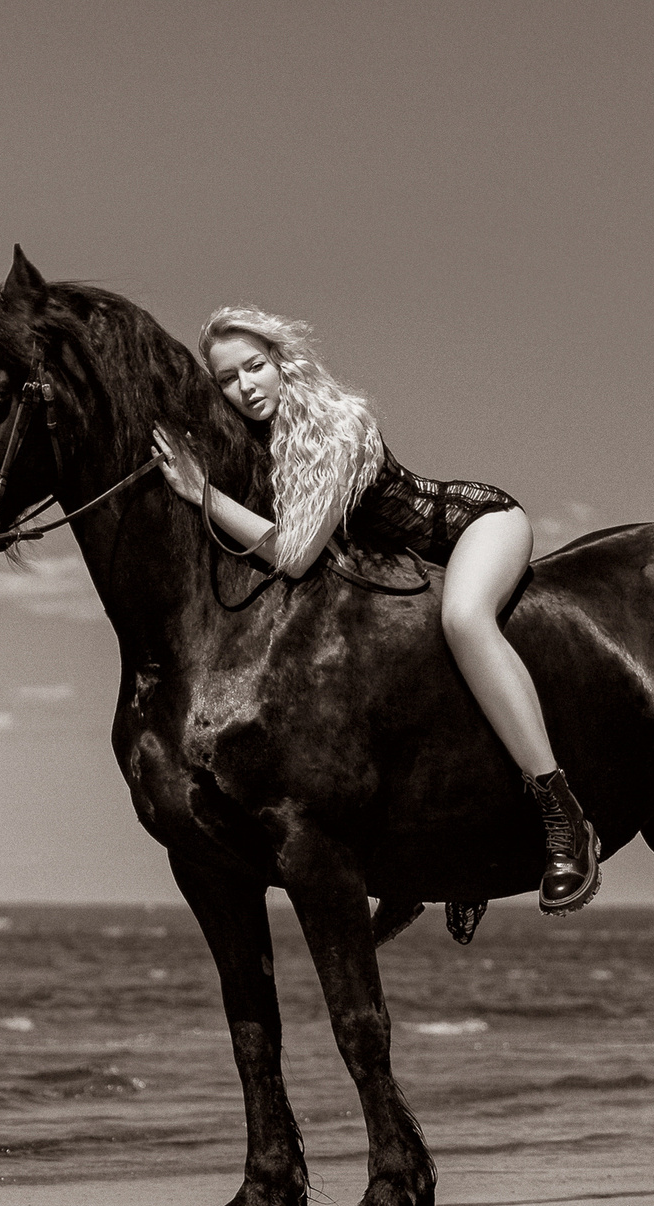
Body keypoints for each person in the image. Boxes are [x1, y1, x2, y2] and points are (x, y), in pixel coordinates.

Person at [151, 306, 600, 913]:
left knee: (465, 621)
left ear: (284, 362)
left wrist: (200, 493)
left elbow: (296, 553)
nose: (245, 388)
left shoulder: (336, 424)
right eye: (227, 380)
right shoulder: (259, 440)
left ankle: (562, 813)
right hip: (396, 565)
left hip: (476, 526)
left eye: (254, 367)